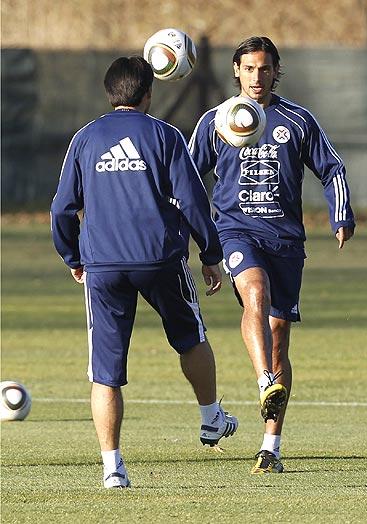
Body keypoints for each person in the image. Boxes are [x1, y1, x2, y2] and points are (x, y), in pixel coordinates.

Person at [51, 56, 238, 489]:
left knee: (106, 371)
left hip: (104, 265)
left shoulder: (85, 138)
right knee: (190, 336)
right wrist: (211, 252)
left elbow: (62, 208)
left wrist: (72, 257)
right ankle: (211, 418)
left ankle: (113, 467)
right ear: (148, 94)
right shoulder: (165, 135)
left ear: (109, 92)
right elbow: (192, 200)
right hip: (161, 260)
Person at [188, 36, 355, 474]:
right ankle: (265, 381)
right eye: (249, 68)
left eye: (265, 68)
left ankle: (271, 445)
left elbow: (332, 167)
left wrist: (341, 215)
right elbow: (187, 176)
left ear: (275, 71)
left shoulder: (297, 120)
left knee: (279, 334)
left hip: (286, 242)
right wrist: (197, 237)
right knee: (255, 293)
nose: (257, 77)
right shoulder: (216, 121)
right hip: (236, 232)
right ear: (236, 71)